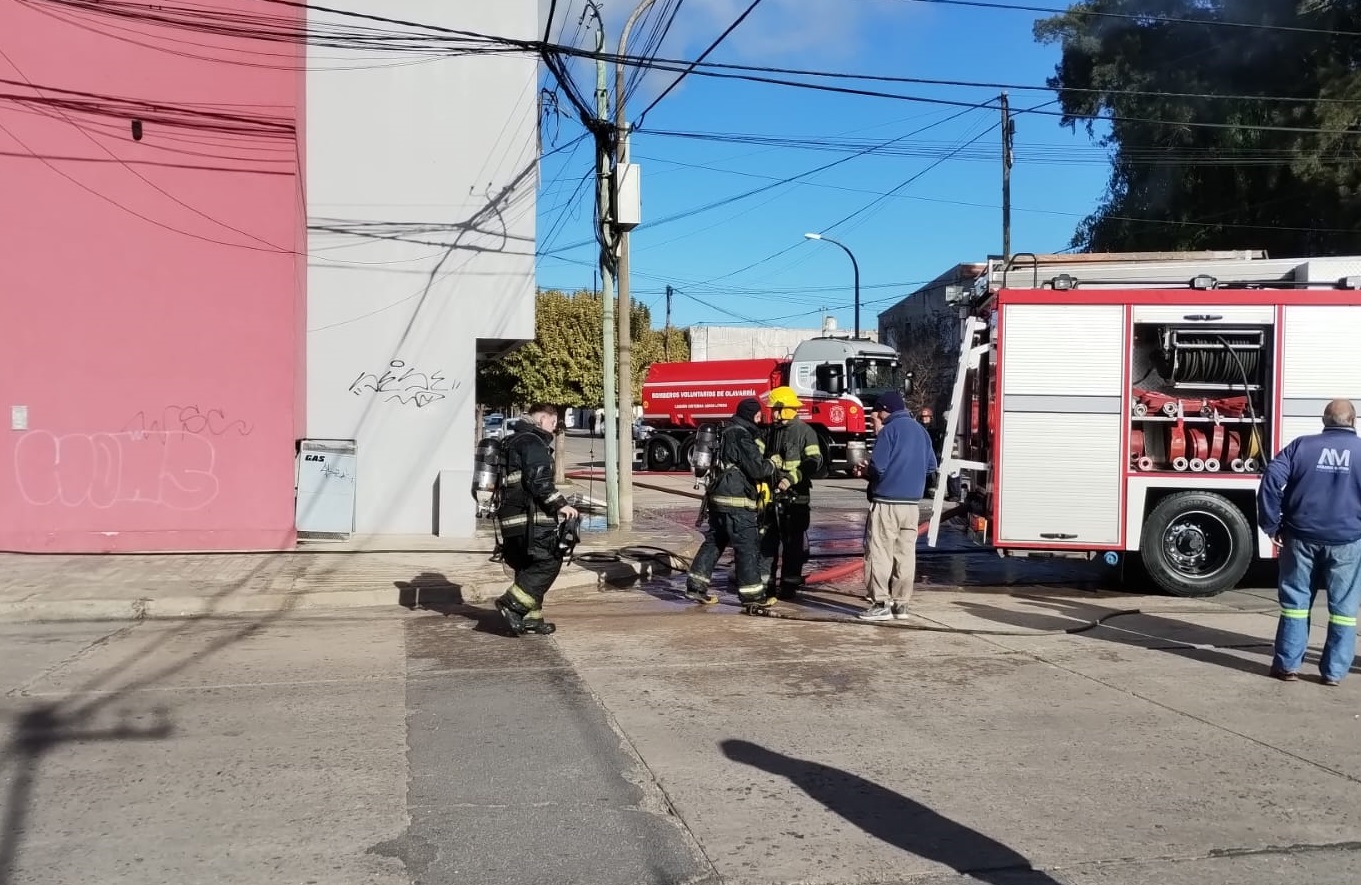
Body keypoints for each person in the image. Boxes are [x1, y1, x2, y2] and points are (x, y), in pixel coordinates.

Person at [1256, 399, 1361, 685]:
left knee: (1295, 603)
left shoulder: (1301, 446)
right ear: (1353, 420)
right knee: (1344, 610)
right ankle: (1334, 673)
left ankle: (1288, 666)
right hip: (1347, 541)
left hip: (1299, 538)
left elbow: (1271, 479)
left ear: (1324, 420)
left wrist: (1271, 524)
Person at [493, 403, 580, 636]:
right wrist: (561, 505)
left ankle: (532, 617)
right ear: (542, 420)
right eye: (553, 423)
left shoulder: (513, 441)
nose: (554, 429)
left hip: (512, 520)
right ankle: (512, 604)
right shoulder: (533, 442)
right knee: (549, 560)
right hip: (530, 519)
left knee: (527, 565)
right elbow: (539, 480)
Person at [852, 391, 937, 621]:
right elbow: (931, 467)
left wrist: (864, 471)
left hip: (886, 503)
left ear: (884, 409)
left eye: (877, 411)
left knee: (879, 553)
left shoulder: (889, 430)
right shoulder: (921, 431)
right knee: (905, 554)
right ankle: (901, 604)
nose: (877, 415)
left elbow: (878, 467)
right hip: (912, 506)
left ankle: (880, 603)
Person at [685, 397, 777, 607]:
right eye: (758, 415)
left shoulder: (725, 431)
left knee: (714, 542)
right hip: (737, 502)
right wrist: (772, 464)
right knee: (747, 546)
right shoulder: (741, 436)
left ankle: (695, 587)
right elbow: (757, 469)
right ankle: (752, 597)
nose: (760, 419)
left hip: (718, 499)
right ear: (750, 415)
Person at [760, 386, 824, 599]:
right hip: (771, 498)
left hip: (796, 499)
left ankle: (789, 588)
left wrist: (790, 478)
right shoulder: (770, 432)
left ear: (785, 409)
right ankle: (766, 586)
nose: (773, 414)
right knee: (767, 543)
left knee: (793, 546)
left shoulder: (805, 432)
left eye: (775, 410)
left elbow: (814, 462)